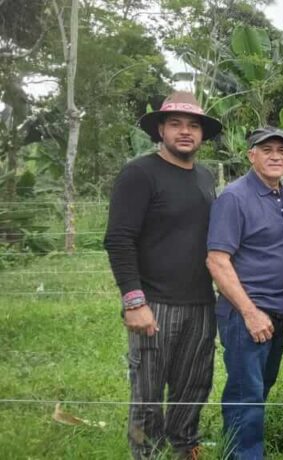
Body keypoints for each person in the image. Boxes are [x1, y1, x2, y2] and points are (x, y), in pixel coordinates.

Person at [104, 91, 220, 459]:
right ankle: (146, 453)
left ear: (202, 134)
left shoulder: (204, 177)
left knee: (194, 384)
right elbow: (119, 239)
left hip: (201, 301)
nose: (185, 132)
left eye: (193, 125)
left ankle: (185, 446)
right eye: (176, 124)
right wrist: (133, 301)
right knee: (148, 391)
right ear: (161, 130)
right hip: (155, 303)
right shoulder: (139, 173)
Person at [206, 127, 283, 459]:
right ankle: (243, 454)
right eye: (267, 150)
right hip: (247, 313)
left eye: (281, 150)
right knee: (247, 393)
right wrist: (249, 312)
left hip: (278, 312)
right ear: (251, 155)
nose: (275, 156)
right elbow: (217, 261)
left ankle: (235, 445)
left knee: (259, 388)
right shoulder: (234, 197)